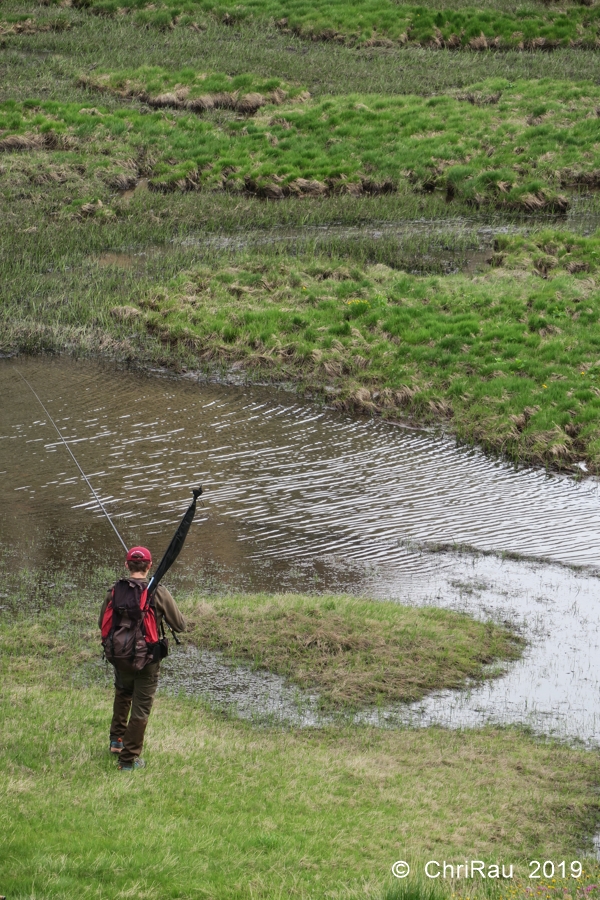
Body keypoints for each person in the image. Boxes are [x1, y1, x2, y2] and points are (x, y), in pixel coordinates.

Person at [99, 546, 186, 771]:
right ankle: (128, 760)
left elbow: (102, 624)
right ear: (149, 566)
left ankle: (116, 742)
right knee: (140, 709)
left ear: (127, 565)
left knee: (122, 693)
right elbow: (180, 625)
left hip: (119, 657)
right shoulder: (158, 592)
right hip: (148, 660)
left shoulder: (114, 591)